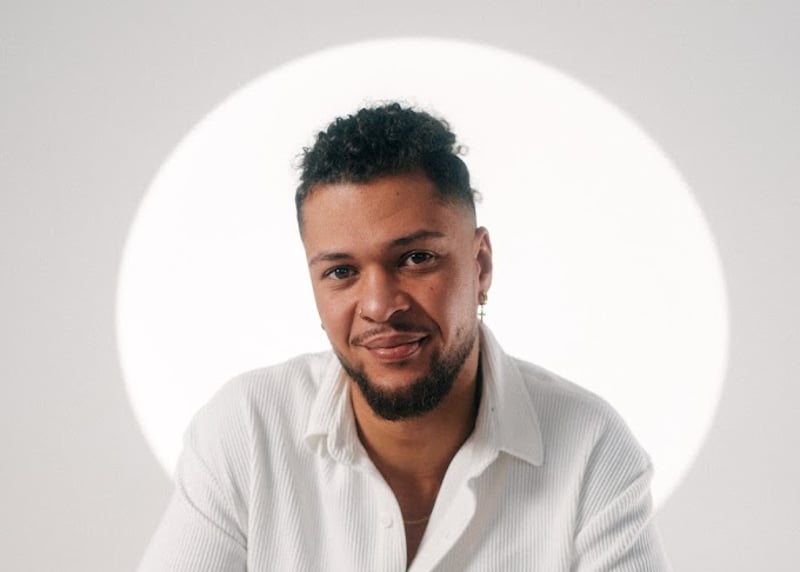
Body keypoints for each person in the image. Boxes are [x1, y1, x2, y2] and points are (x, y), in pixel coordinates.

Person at [138, 103, 670, 571]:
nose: (378, 306)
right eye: (341, 271)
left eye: (416, 258)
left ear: (480, 265)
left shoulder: (592, 450)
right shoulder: (247, 429)